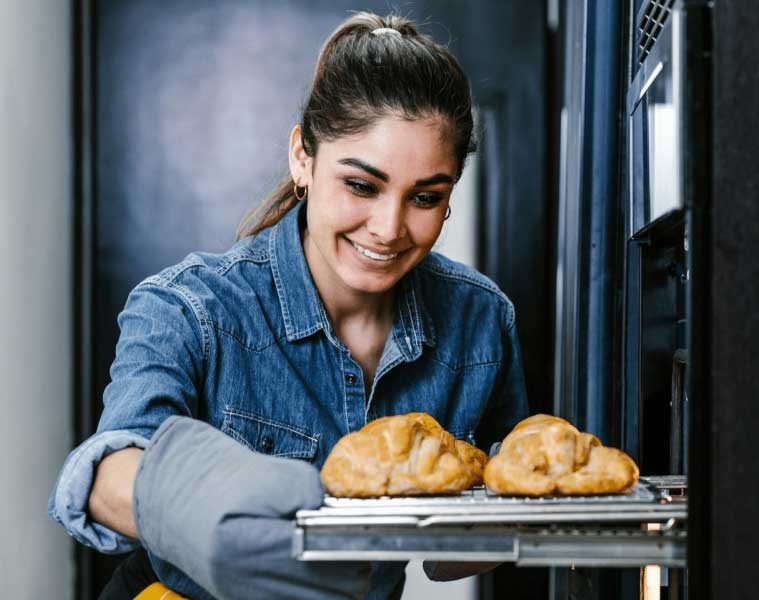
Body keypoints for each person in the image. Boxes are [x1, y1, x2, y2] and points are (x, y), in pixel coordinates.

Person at [48, 12, 528, 599]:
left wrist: (515, 511)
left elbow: (456, 559)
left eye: (426, 197)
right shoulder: (190, 308)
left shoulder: (480, 323)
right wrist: (192, 509)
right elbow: (103, 475)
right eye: (361, 185)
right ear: (303, 156)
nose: (389, 228)